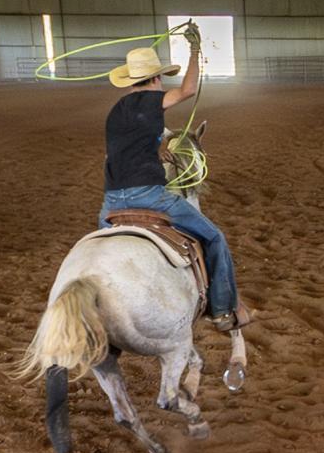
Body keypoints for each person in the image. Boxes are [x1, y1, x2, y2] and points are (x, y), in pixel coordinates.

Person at [98, 26, 249, 332]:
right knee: (214, 237)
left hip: (111, 200)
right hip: (151, 197)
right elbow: (189, 90)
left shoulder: (115, 111)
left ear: (130, 81)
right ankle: (222, 309)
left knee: (101, 250)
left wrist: (157, 148)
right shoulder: (152, 101)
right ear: (157, 79)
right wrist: (194, 51)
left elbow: (126, 146)